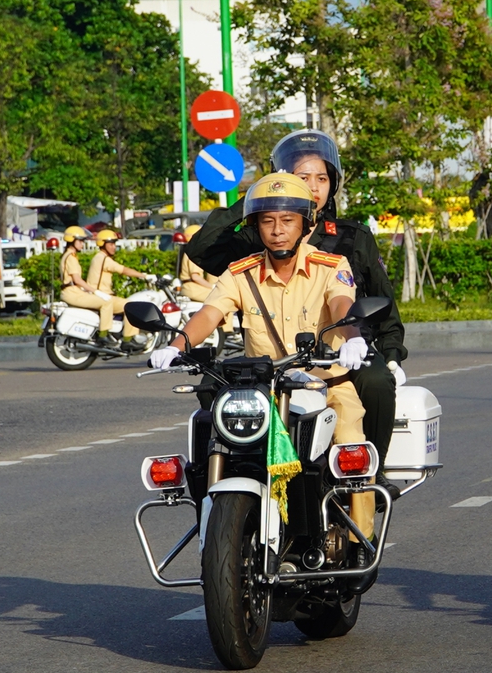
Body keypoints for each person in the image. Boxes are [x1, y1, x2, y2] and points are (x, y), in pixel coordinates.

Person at [152, 172, 382, 541]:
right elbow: (211, 313)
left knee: (352, 449)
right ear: (257, 227)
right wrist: (177, 345)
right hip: (264, 393)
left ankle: (359, 544)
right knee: (211, 440)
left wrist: (352, 336)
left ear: (305, 225)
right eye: (268, 221)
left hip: (328, 385)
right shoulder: (241, 272)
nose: (277, 230)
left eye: (288, 220)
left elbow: (341, 304)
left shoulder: (331, 265)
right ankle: (219, 534)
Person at [184, 129, 406, 456]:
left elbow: (381, 302)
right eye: (302, 176)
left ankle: (369, 470)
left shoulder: (351, 236)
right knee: (213, 384)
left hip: (343, 352)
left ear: (333, 184)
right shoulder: (264, 233)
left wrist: (391, 355)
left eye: (321, 178)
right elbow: (203, 249)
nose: (313, 186)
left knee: (375, 382)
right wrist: (260, 196)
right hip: (274, 358)